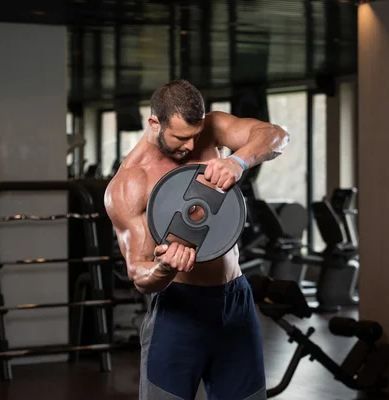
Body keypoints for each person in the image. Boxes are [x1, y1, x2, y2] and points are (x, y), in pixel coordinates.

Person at [104, 79, 290, 400]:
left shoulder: (212, 129)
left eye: (195, 136)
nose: (190, 146)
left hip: (235, 300)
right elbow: (139, 275)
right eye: (179, 137)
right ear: (154, 123)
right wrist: (163, 267)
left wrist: (237, 160)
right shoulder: (131, 182)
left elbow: (277, 136)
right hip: (179, 309)